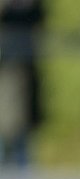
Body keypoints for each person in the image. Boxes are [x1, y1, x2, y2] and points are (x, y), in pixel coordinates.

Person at [0, 0, 45, 168]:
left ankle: (21, 165)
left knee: (21, 135)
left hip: (25, 72)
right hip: (7, 71)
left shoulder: (33, 8)